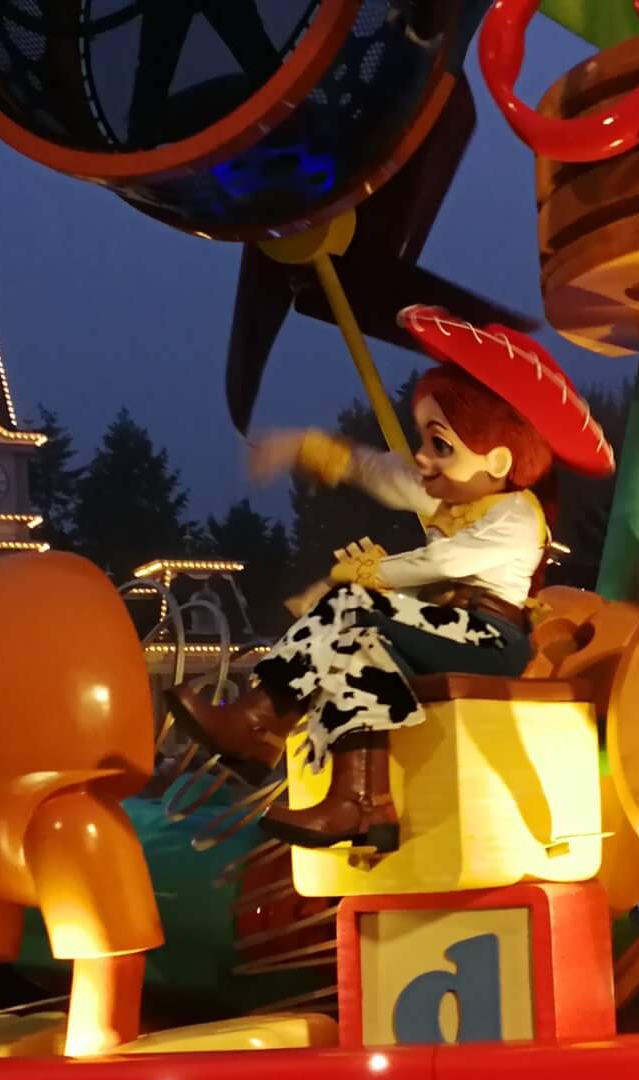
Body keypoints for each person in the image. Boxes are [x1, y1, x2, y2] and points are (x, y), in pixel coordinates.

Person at [168, 305, 615, 851]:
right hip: (439, 629)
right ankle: (354, 799)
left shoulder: (516, 515)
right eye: (424, 440)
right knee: (358, 649)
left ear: (498, 460)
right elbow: (381, 472)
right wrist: (305, 448)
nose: (423, 458)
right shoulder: (450, 499)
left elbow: (444, 563)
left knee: (351, 608)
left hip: (489, 639)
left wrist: (371, 573)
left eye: (440, 445)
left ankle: (260, 727)